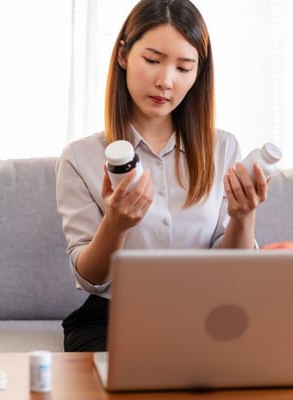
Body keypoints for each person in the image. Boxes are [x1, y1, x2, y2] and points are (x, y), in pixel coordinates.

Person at [55, 0, 270, 352]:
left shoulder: (223, 148)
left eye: (184, 68)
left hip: (205, 312)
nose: (165, 81)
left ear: (199, 73)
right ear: (123, 55)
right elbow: (91, 278)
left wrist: (244, 217)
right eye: (152, 61)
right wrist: (116, 223)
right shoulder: (80, 158)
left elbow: (231, 271)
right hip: (113, 316)